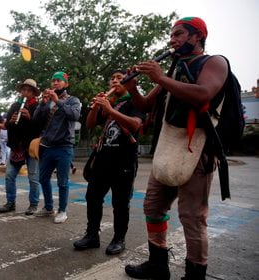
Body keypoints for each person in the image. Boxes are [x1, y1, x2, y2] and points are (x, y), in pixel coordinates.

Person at [123, 17, 228, 279]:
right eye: (171, 35)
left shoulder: (214, 62)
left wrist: (159, 76)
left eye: (179, 34)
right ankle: (158, 265)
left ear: (197, 37)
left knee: (192, 217)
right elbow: (147, 105)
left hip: (198, 150)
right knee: (153, 207)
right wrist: (133, 88)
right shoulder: (174, 69)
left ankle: (195, 275)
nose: (172, 40)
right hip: (168, 148)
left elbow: (204, 93)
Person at [73, 70, 145, 255]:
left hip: (124, 161)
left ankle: (118, 239)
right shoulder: (109, 102)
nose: (115, 81)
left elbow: (136, 125)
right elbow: (89, 125)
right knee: (93, 197)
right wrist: (96, 107)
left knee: (120, 203)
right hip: (103, 159)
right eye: (112, 78)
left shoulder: (135, 102)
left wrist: (111, 110)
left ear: (128, 82)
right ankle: (92, 236)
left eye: (120, 78)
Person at [33, 71, 81, 223]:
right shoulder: (48, 101)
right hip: (47, 146)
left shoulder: (73, 100)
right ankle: (48, 207)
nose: (55, 83)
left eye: (58, 81)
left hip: (64, 146)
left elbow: (75, 115)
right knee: (43, 178)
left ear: (65, 84)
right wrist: (42, 103)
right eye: (53, 80)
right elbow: (36, 119)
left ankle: (62, 210)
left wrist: (58, 102)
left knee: (62, 181)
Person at [0, 79, 42, 215]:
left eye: (29, 90)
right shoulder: (15, 105)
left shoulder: (38, 107)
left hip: (30, 146)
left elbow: (39, 128)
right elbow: (7, 126)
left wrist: (30, 118)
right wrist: (10, 121)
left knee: (33, 178)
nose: (25, 93)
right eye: (24, 90)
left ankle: (33, 204)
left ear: (34, 93)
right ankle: (10, 202)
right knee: (9, 176)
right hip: (17, 146)